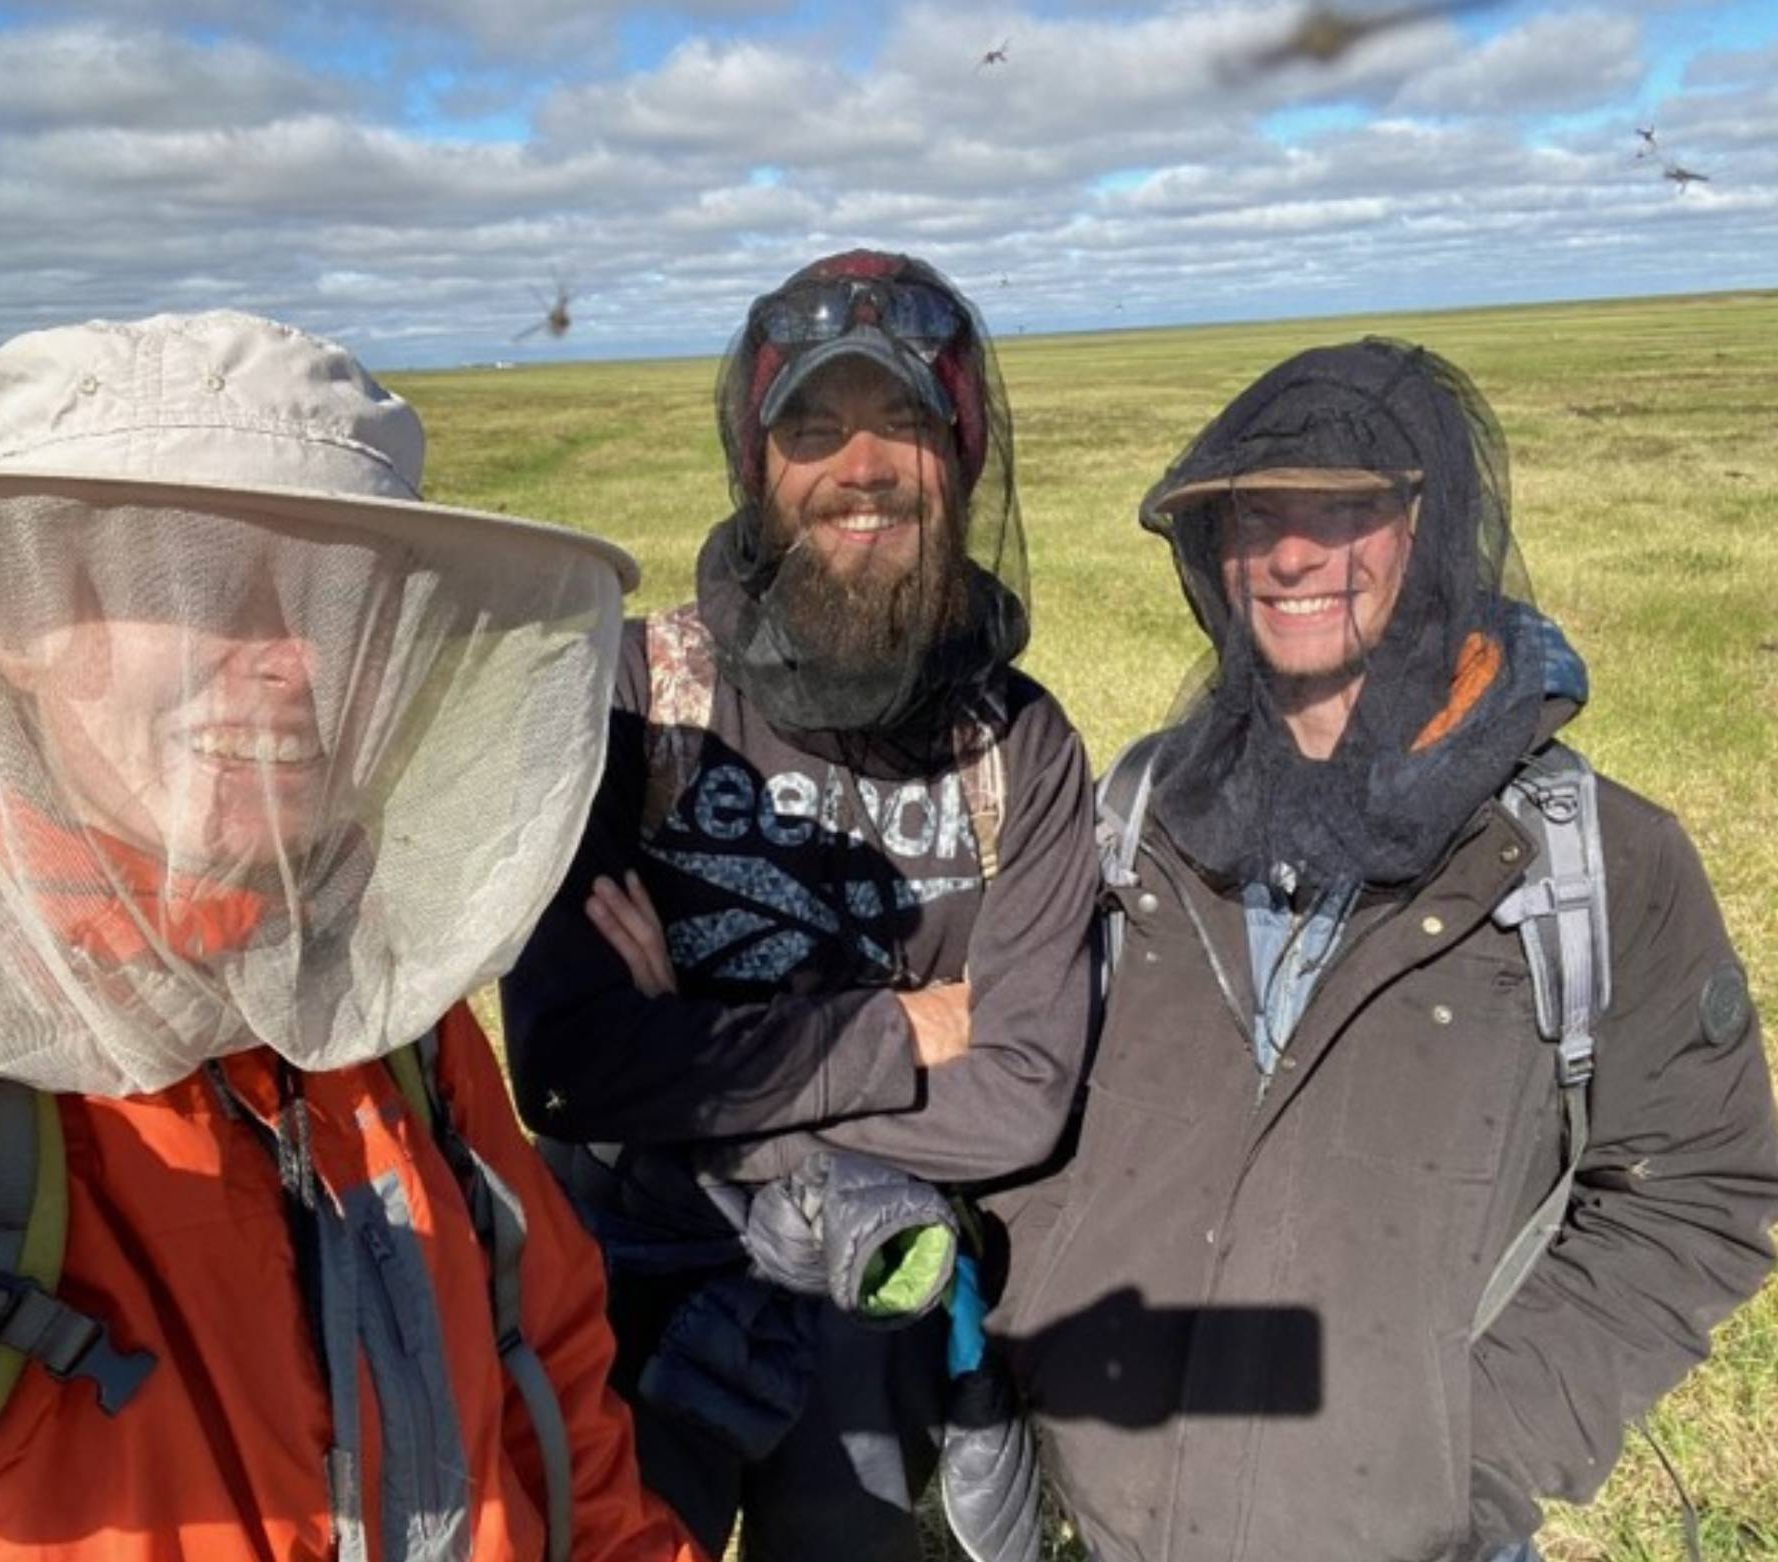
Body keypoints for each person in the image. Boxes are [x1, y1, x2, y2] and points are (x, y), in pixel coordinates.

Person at [0, 311, 707, 1562]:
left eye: (341, 601)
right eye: (202, 582)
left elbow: (562, 1423)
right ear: (13, 620)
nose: (291, 660)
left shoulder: (394, 1025)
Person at [988, 338, 1778, 1562]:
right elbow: (1043, 1093)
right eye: (1256, 514)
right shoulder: (1141, 820)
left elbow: (1699, 1189)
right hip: (1117, 1526)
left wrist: (1477, 1445)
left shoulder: (1596, 858)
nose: (1291, 553)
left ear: (1432, 522)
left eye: (1344, 507)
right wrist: (1039, 1317)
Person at [500, 251, 1098, 1560]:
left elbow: (1025, 1093)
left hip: (885, 1316)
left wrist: (698, 1080)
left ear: (964, 461)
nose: (862, 466)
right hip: (629, 1293)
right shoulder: (634, 695)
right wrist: (899, 1025)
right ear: (756, 464)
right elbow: (565, 1064)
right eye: (814, 429)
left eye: (906, 427)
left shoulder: (1025, 746)